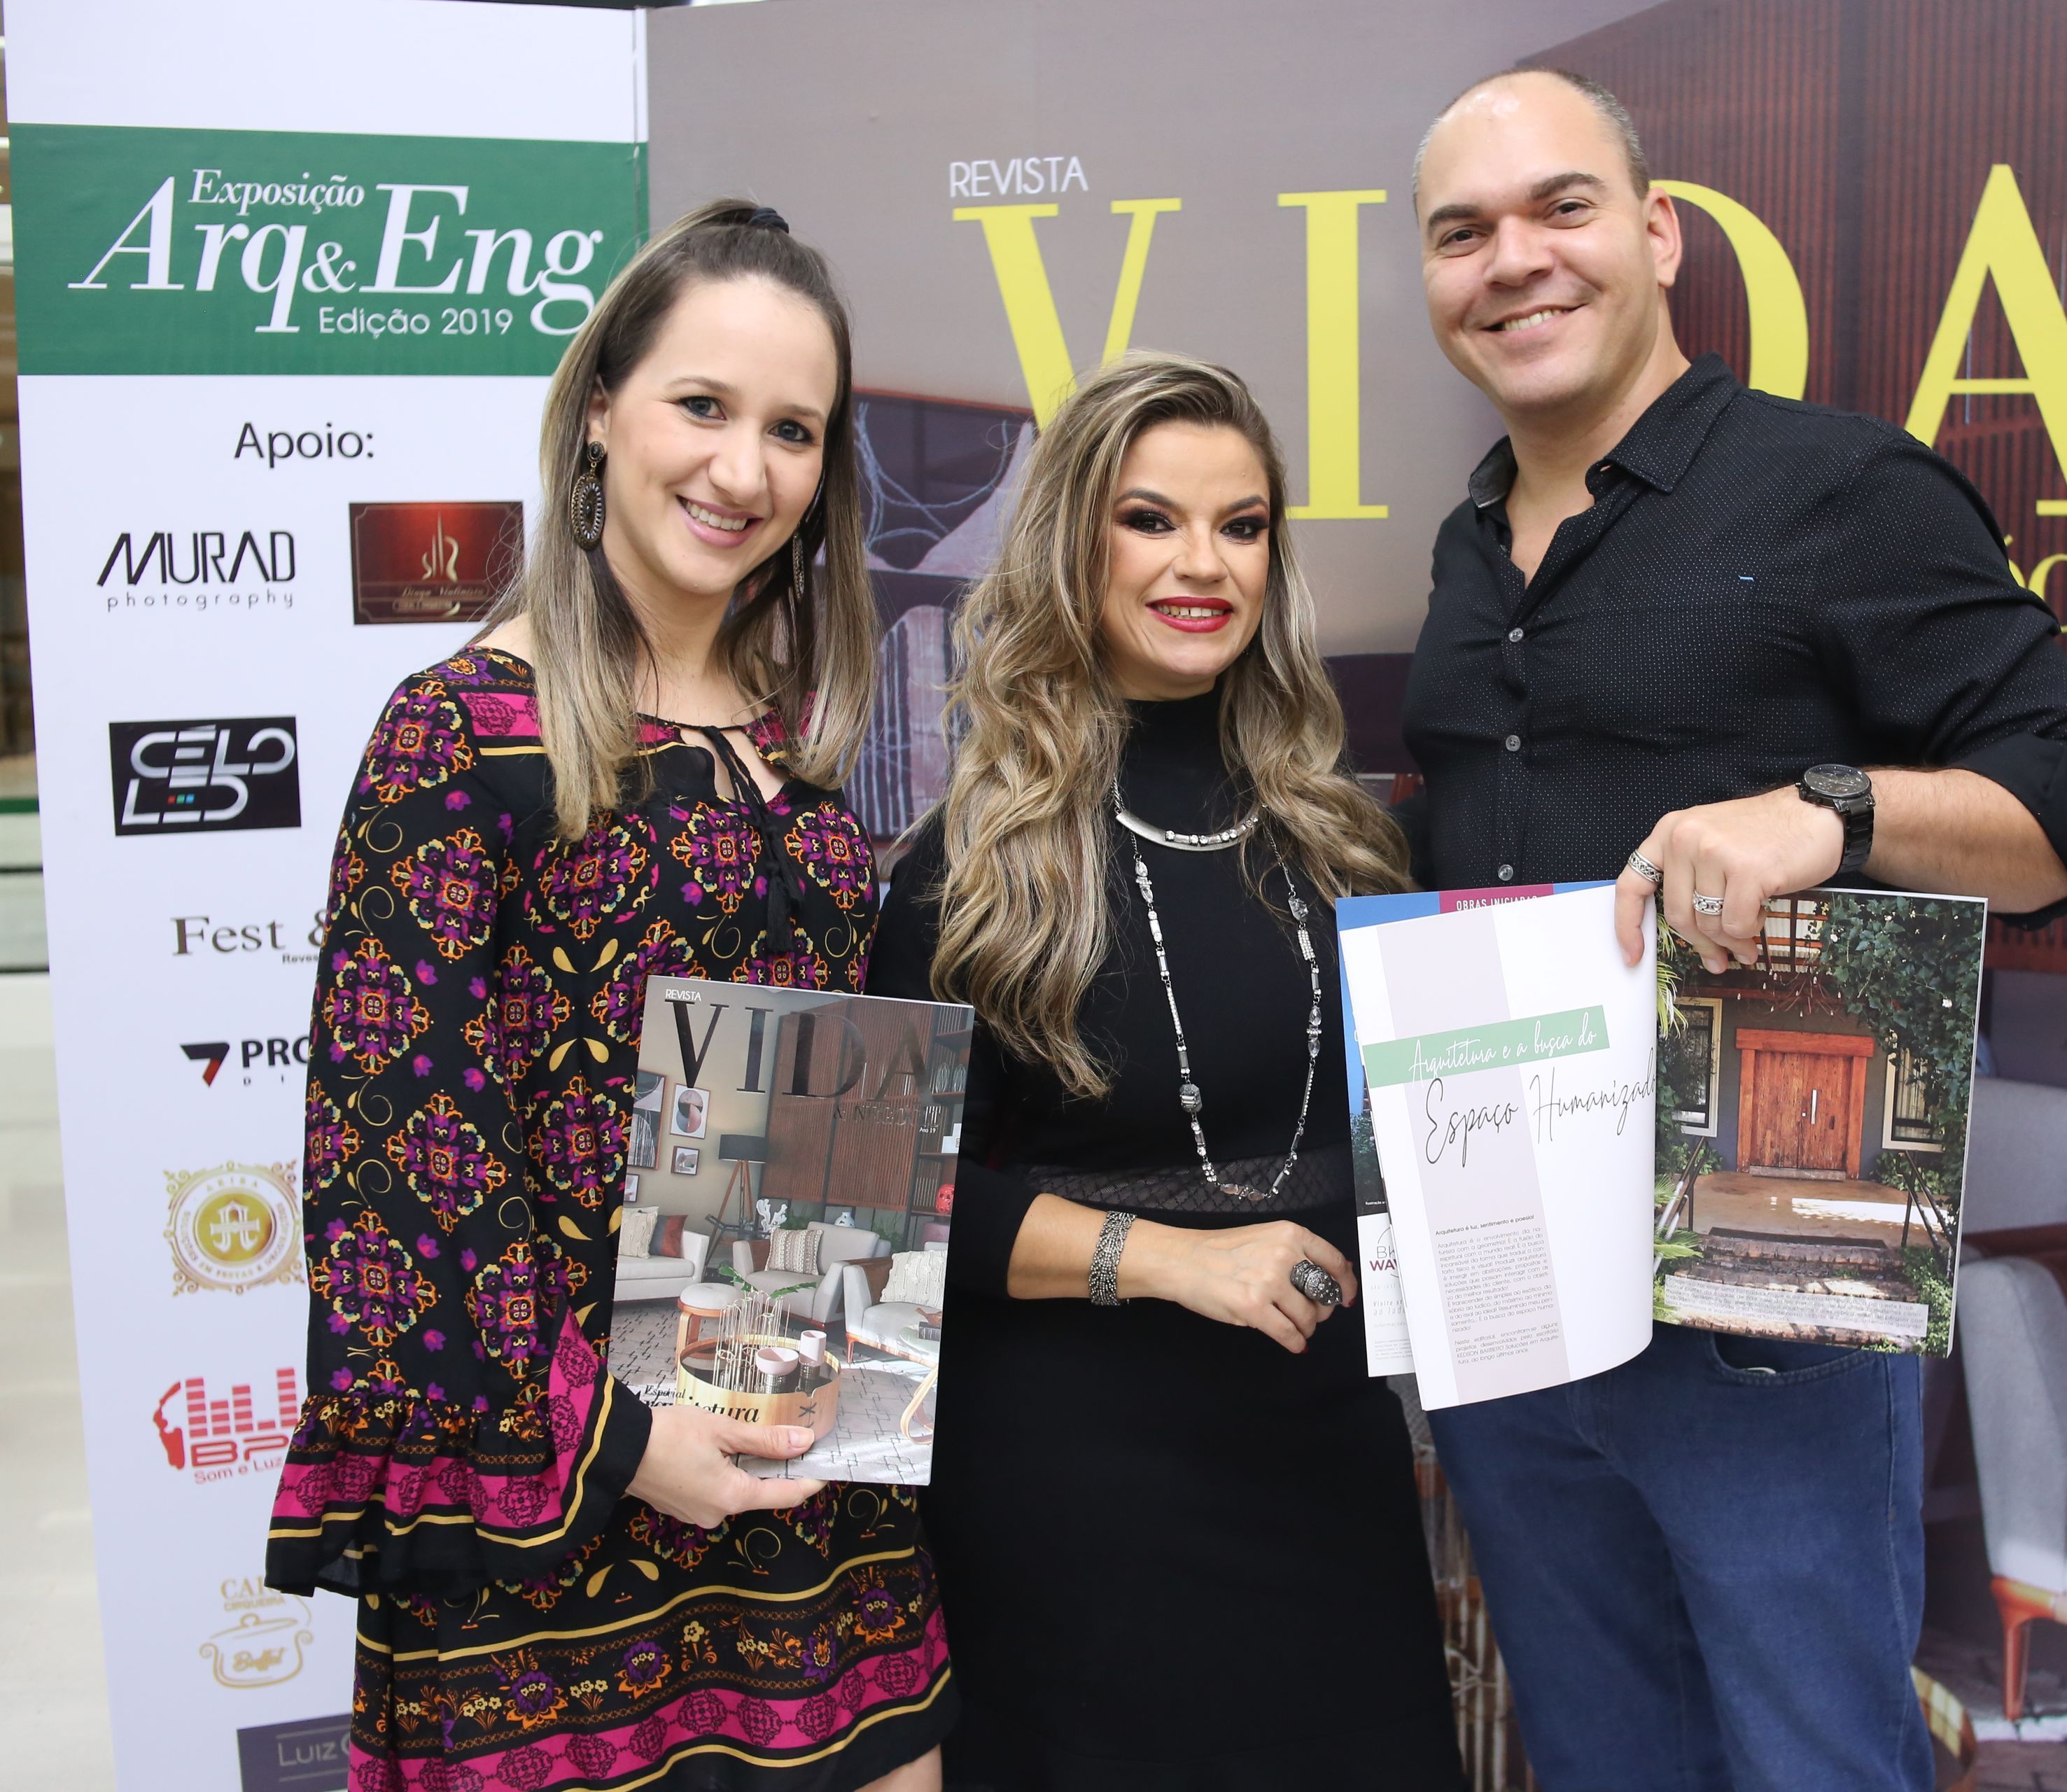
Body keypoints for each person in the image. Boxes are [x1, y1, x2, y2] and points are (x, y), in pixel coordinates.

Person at [1399, 70, 2067, 1791]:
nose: (1514, 260)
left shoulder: (1842, 486)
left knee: (1819, 1762)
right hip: (1511, 1277)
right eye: (1462, 232)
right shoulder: (1464, 545)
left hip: (1770, 1291)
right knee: (1601, 1757)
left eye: (1562, 207)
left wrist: (1835, 811)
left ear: (1658, 234)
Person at [264, 202, 952, 1792]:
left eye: (792, 430)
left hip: (802, 1465)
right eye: (701, 405)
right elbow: (401, 1163)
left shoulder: (800, 744)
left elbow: (825, 1109)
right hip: (554, 1512)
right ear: (598, 412)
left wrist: (835, 1372)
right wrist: (627, 1442)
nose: (743, 469)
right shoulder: (459, 732)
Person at [867, 352, 1464, 1792]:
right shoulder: (972, 862)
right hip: (1074, 1501)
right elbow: (867, 1215)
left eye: (1241, 525)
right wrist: (1171, 1260)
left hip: (1326, 1472)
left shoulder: (1352, 841)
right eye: (1151, 520)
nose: (1205, 564)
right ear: (1073, 543)